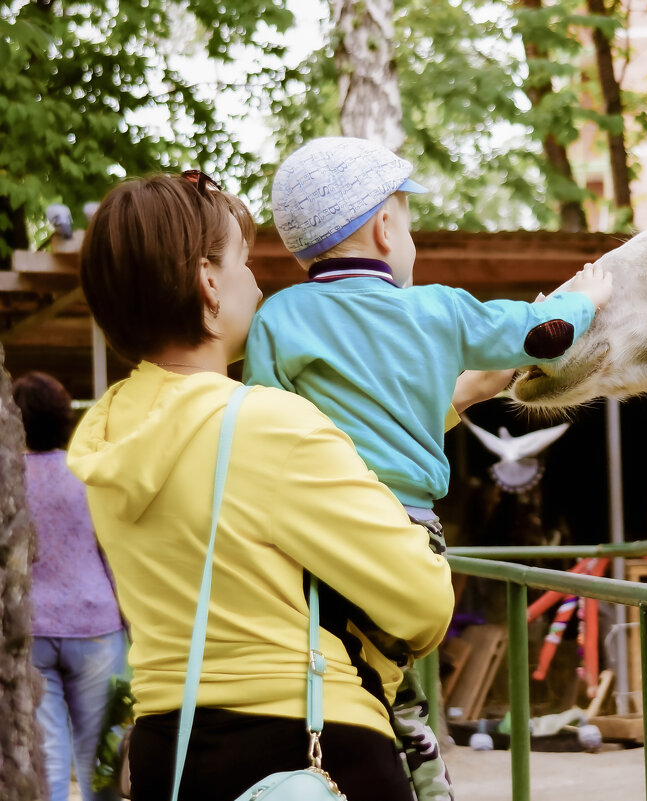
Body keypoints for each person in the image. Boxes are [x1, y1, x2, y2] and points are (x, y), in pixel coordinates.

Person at [242, 137, 612, 800]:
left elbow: (265, 430)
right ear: (386, 227)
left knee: (358, 685)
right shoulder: (438, 309)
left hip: (318, 540)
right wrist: (584, 298)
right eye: (407, 220)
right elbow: (544, 337)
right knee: (391, 683)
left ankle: (395, 760)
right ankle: (423, 775)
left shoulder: (279, 317)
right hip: (407, 536)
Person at [68, 170, 453, 801]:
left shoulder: (109, 430)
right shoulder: (268, 424)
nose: (259, 282)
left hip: (170, 751)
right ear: (208, 281)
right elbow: (422, 603)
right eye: (244, 262)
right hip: (312, 750)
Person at [14, 370, 127, 801]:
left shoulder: (8, 482)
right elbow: (112, 552)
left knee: (48, 762)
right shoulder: (87, 474)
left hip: (29, 631)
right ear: (66, 419)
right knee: (101, 759)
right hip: (97, 625)